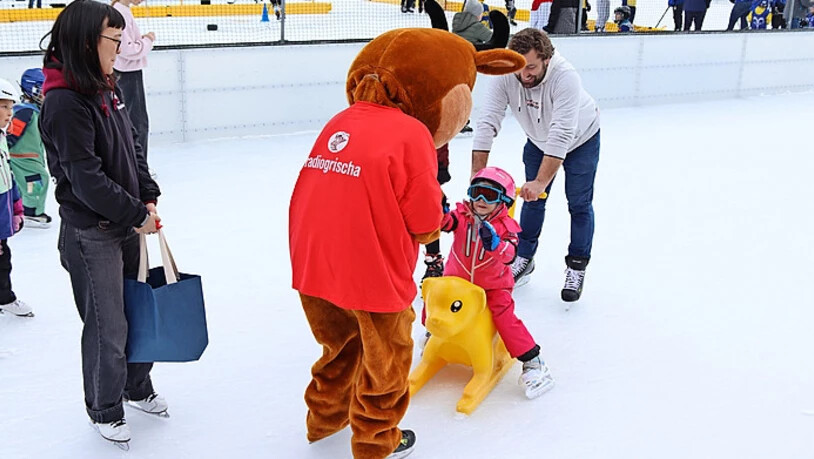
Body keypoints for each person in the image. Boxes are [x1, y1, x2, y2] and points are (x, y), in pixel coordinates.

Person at [38, 0, 165, 448]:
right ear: (88, 42)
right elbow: (85, 179)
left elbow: (132, 142)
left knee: (136, 311)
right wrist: (134, 214)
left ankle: (135, 385)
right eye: (114, 40)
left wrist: (146, 193)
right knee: (108, 325)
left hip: (127, 221)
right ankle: (104, 406)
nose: (120, 48)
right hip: (92, 233)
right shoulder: (64, 101)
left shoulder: (103, 85)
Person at [472, 28, 600, 302]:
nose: (524, 75)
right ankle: (524, 258)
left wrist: (541, 181)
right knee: (532, 202)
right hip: (538, 140)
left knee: (578, 204)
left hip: (581, 138)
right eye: (520, 68)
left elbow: (562, 133)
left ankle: (576, 266)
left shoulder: (565, 77)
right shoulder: (509, 71)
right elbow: (487, 121)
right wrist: (477, 176)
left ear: (546, 59)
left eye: (531, 67)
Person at [426, 167, 554, 399]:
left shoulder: (506, 228)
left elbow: (510, 255)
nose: (481, 200)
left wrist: (495, 245)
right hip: (457, 279)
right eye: (477, 193)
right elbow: (445, 224)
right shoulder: (463, 216)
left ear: (503, 200)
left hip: (492, 285)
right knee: (435, 295)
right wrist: (440, 211)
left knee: (504, 316)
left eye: (490, 195)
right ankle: (433, 334)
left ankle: (532, 361)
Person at [0, 78, 32, 318]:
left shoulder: (2, 137)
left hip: (3, 206)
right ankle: (5, 298)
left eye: (11, 107)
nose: (10, 113)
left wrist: (17, 206)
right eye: (4, 107)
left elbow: (7, 174)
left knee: (4, 257)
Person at [7, 68, 52, 229]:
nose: (45, 94)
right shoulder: (24, 111)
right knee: (37, 180)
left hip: (32, 156)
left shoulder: (36, 112)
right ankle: (31, 212)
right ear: (31, 90)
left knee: (30, 182)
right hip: (22, 157)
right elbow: (11, 133)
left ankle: (25, 208)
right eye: (42, 90)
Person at [112, 0, 155, 166]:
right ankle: (138, 167)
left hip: (126, 72)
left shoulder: (121, 10)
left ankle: (136, 165)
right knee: (137, 122)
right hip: (127, 73)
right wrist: (148, 41)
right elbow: (128, 49)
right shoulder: (120, 12)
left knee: (135, 121)